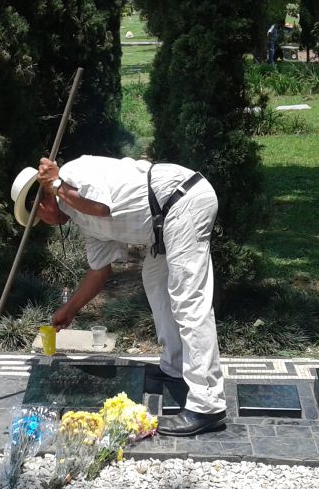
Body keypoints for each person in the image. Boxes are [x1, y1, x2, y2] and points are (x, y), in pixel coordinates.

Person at [13, 156, 228, 437]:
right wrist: (71, 308)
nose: (48, 224)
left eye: (41, 219)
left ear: (41, 204)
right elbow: (99, 272)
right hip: (164, 224)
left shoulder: (73, 172)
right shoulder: (83, 220)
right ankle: (175, 366)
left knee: (189, 300)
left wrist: (57, 184)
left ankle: (207, 404)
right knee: (155, 281)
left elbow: (102, 207)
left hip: (183, 201)